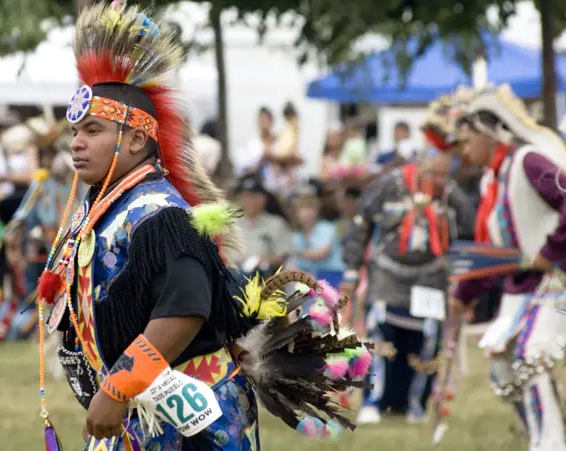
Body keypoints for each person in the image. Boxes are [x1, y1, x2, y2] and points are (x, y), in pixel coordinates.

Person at [34, 4, 372, 450]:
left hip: (194, 419)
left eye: (92, 130)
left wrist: (117, 387)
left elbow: (184, 310)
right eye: (75, 131)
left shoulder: (161, 215)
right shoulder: (106, 208)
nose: (76, 142)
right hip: (141, 411)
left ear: (136, 139)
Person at [449, 84, 566, 451]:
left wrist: (551, 250)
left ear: (488, 135)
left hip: (556, 277)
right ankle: (540, 433)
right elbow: (496, 251)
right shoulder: (494, 180)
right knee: (502, 365)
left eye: (467, 141)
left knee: (532, 354)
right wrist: (464, 294)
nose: (464, 151)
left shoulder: (529, 161)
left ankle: (552, 443)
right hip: (525, 284)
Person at [341, 113, 475, 424]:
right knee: (380, 334)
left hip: (429, 276)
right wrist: (351, 272)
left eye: (445, 174)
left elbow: (469, 232)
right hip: (387, 275)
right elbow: (361, 223)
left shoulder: (451, 193)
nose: (441, 181)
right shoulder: (390, 183)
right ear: (422, 163)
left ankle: (414, 404)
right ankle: (374, 400)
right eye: (436, 175)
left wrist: (463, 278)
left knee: (426, 340)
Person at [236, 175, 293, 278]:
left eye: (253, 196)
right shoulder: (232, 223)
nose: (249, 201)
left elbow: (283, 256)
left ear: (263, 198)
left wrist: (263, 261)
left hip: (265, 278)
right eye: (245, 196)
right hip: (232, 278)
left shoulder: (276, 223)